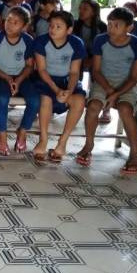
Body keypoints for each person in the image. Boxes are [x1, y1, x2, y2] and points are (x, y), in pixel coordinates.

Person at [76, 7, 137, 174]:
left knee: (126, 109)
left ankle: (135, 154)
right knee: (93, 106)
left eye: (116, 25)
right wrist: (109, 89)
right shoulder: (100, 40)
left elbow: (134, 78)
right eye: (109, 24)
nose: (111, 28)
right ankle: (88, 145)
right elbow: (96, 71)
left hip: (126, 85)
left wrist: (116, 94)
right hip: (103, 82)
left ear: (129, 28)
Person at [32, 10, 87, 163]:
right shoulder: (41, 41)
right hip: (46, 80)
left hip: (67, 80)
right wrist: (56, 90)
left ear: (69, 30)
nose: (53, 29)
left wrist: (68, 91)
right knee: (46, 99)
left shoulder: (76, 43)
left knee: (79, 101)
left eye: (58, 27)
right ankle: (43, 140)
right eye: (51, 26)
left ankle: (62, 143)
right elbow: (41, 70)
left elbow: (75, 72)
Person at [0, 6, 39, 156]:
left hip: (22, 77)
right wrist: (7, 78)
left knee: (35, 100)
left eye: (15, 22)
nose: (10, 24)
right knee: (2, 99)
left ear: (24, 27)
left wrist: (19, 80)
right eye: (9, 20)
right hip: (0, 77)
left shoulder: (28, 40)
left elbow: (30, 66)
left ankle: (22, 131)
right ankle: (2, 136)